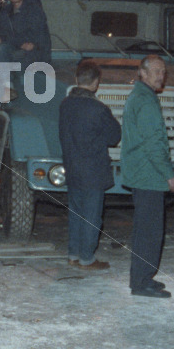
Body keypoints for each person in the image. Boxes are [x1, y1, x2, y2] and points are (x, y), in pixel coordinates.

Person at [120, 55, 174, 298]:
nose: (161, 76)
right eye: (156, 71)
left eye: (163, 72)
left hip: (143, 174)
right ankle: (141, 282)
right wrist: (170, 175)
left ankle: (143, 277)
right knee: (150, 232)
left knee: (145, 230)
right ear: (142, 73)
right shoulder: (145, 101)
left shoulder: (143, 96)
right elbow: (154, 144)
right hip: (148, 175)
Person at [58, 60, 121, 270]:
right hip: (93, 170)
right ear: (96, 83)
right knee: (92, 216)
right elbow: (114, 136)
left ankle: (73, 254)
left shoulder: (65, 104)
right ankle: (87, 258)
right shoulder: (98, 108)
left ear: (77, 80)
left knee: (75, 213)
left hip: (72, 167)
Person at [0, 0, 51, 98]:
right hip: (17, 52)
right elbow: (4, 35)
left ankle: (1, 94)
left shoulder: (34, 9)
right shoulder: (5, 13)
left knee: (4, 61)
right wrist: (8, 41)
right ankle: (0, 96)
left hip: (36, 53)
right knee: (2, 51)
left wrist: (10, 40)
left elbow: (34, 36)